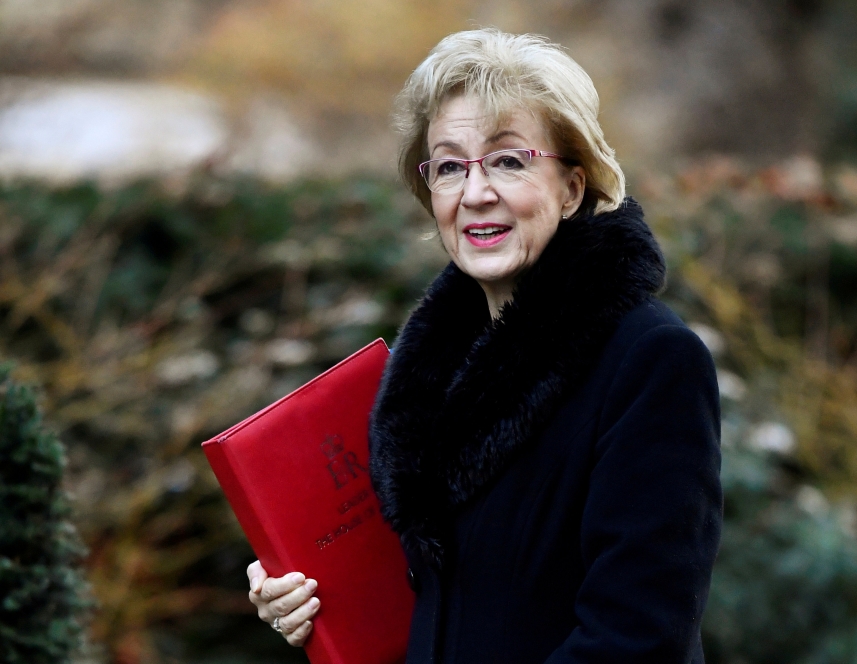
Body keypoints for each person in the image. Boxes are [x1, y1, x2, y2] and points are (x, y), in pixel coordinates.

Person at [247, 28, 722, 663]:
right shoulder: (429, 379)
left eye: (509, 159)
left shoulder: (651, 361)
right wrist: (307, 597)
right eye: (449, 166)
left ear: (573, 188)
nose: (475, 193)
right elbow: (436, 602)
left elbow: (638, 639)